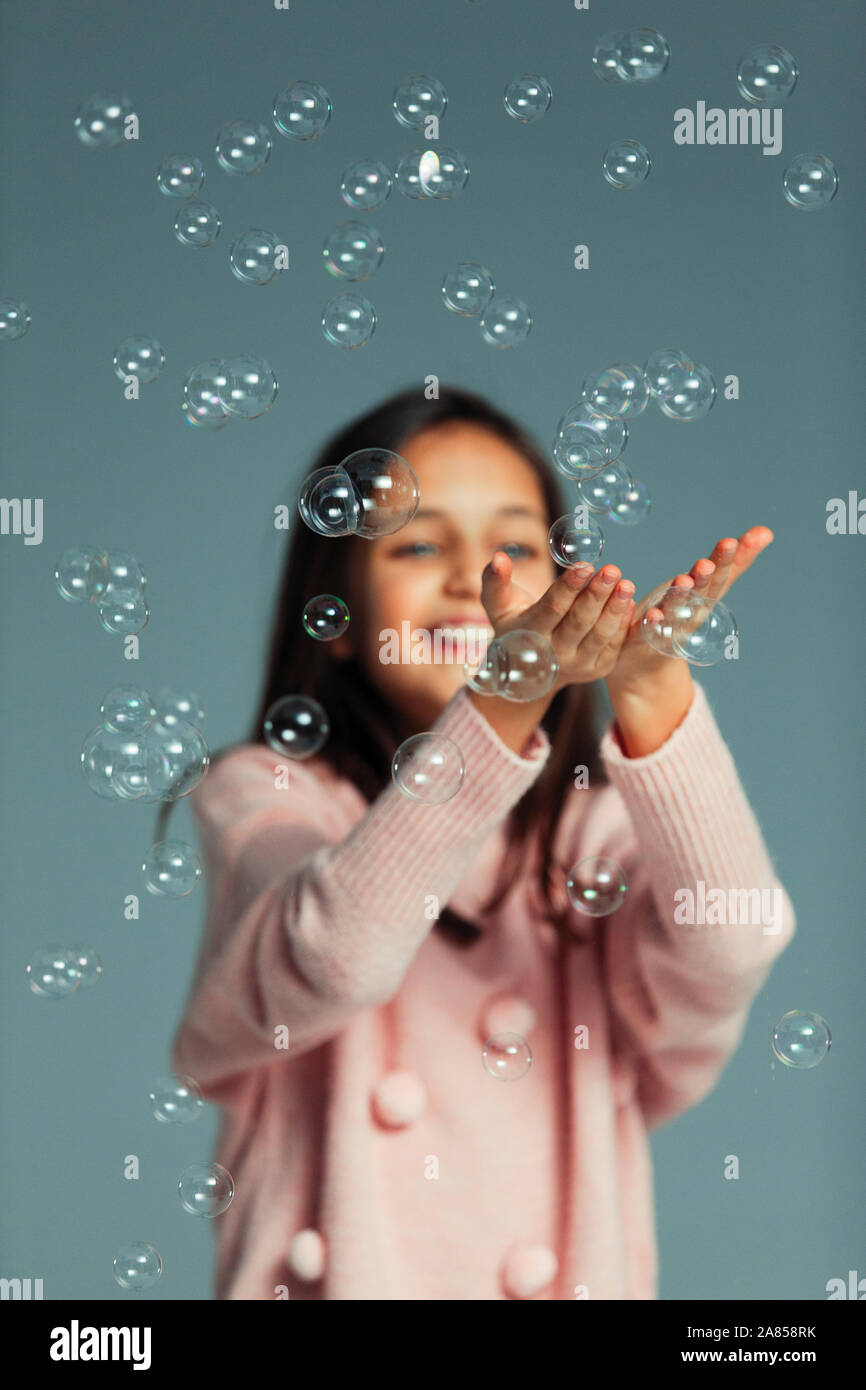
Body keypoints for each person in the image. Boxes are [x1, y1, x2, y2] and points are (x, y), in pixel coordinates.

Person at [169, 384, 795, 1300]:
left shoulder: (591, 832)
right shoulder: (269, 795)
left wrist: (655, 697)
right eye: (419, 544)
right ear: (333, 612)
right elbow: (332, 957)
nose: (472, 575)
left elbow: (734, 942)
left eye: (514, 545)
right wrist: (503, 698)